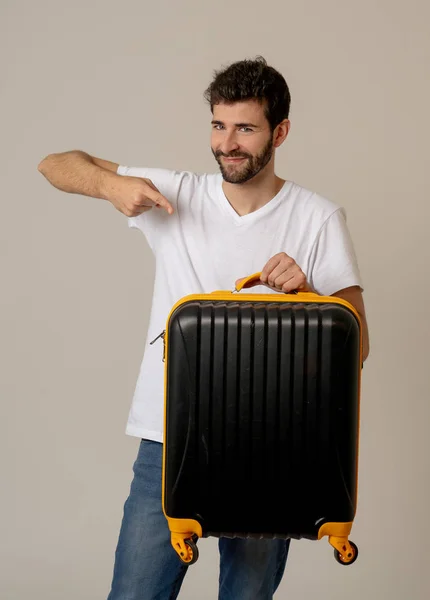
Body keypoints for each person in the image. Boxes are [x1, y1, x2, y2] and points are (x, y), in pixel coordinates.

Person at [38, 56, 370, 600]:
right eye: (219, 125)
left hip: (274, 446)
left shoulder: (318, 219)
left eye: (246, 128)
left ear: (280, 132)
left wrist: (309, 297)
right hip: (167, 439)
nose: (228, 143)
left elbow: (358, 347)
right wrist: (109, 186)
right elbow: (55, 163)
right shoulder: (176, 193)